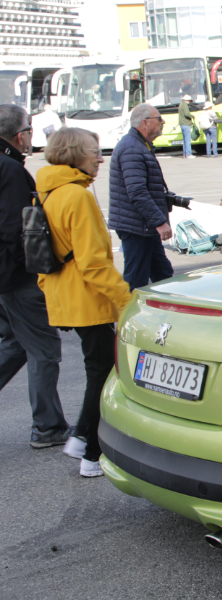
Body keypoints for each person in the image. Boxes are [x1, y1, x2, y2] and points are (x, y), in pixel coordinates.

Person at [35, 128, 132, 476]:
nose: (100, 157)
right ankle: (92, 455)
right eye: (94, 151)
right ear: (76, 153)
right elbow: (94, 263)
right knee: (104, 374)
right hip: (88, 298)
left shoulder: (47, 190)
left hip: (65, 296)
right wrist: (126, 300)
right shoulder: (77, 196)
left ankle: (79, 438)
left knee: (97, 368)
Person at [0, 103, 72, 448]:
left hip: (5, 276)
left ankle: (47, 424)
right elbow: (17, 230)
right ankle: (48, 426)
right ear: (20, 135)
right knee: (44, 349)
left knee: (15, 344)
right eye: (29, 130)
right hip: (16, 277)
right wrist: (40, 272)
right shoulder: (11, 170)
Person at [108, 103, 174, 291]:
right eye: (159, 119)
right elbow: (137, 192)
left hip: (144, 226)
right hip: (137, 227)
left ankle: (167, 314)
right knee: (136, 279)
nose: (162, 122)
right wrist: (159, 221)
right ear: (145, 123)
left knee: (163, 275)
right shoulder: (132, 148)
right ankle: (129, 317)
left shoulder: (139, 145)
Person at [178, 94, 194, 159]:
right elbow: (187, 114)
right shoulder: (185, 105)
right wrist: (192, 116)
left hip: (182, 124)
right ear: (187, 100)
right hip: (186, 123)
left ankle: (184, 154)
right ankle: (188, 154)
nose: (189, 102)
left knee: (184, 140)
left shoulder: (181, 104)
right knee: (188, 140)